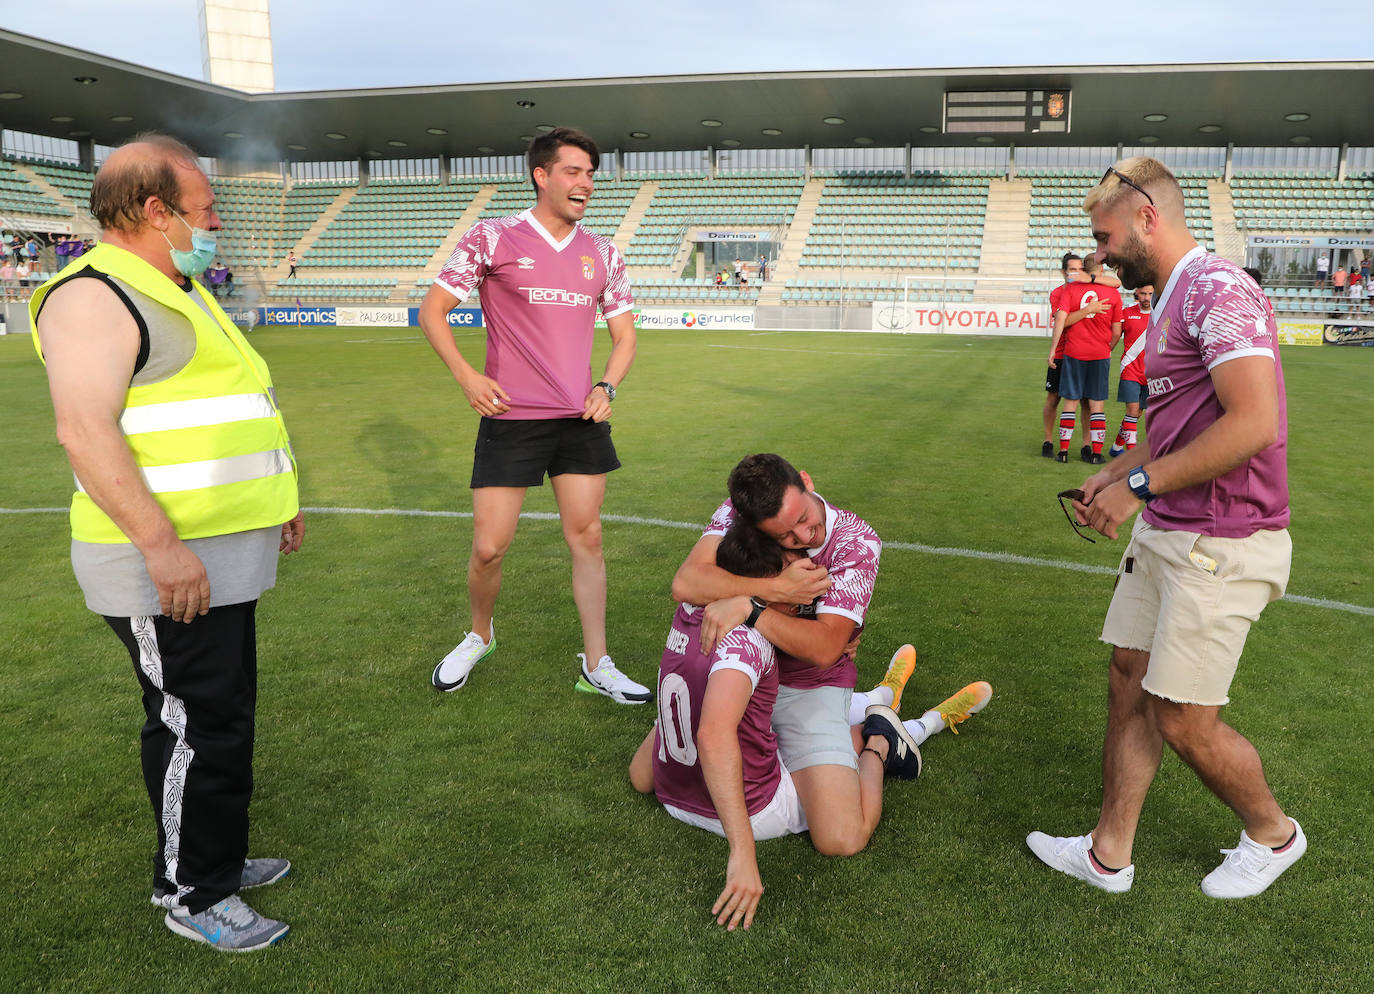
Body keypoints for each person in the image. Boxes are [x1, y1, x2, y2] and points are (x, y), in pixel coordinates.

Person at [28, 134, 303, 950]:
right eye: (206, 209)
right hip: (167, 560)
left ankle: (208, 853)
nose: (215, 221)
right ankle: (193, 891)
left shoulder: (170, 284)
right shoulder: (91, 296)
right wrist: (161, 547)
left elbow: (227, 403)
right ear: (156, 210)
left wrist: (276, 497)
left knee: (216, 714)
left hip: (219, 548)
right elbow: (85, 432)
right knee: (197, 722)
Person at [1029, 157, 1302, 900]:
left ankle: (1274, 834)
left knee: (1185, 719)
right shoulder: (1171, 296)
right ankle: (1107, 854)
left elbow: (1253, 423)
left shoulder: (1218, 290)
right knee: (1128, 678)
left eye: (1106, 235)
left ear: (1147, 217)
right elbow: (1173, 424)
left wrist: (1139, 489)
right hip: (1172, 527)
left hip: (1223, 539)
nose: (1101, 251)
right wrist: (1117, 470)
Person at [632, 521, 991, 930]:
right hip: (754, 808)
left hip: (673, 790)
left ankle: (881, 698)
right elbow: (713, 736)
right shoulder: (748, 641)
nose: (810, 595)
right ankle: (884, 738)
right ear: (768, 586)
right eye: (798, 583)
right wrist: (743, 853)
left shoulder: (691, 614)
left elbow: (646, 767)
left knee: (763, 721)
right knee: (845, 836)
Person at [420, 127, 648, 704]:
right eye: (573, 172)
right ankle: (479, 634)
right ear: (541, 175)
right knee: (490, 547)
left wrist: (607, 387)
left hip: (580, 421)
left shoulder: (604, 253)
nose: (585, 184)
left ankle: (597, 662)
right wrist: (468, 376)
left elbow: (624, 337)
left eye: (591, 174)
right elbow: (433, 310)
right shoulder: (491, 237)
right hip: (512, 417)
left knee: (588, 537)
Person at [1041, 252, 1118, 458]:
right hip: (1062, 352)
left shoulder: (1085, 287)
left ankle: (1085, 445)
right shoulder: (1059, 293)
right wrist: (1088, 309)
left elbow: (1116, 283)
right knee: (1054, 398)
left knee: (1083, 401)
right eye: (1071, 270)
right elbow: (1062, 321)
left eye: (1079, 269)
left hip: (1076, 351)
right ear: (1064, 272)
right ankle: (1048, 440)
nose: (1075, 273)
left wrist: (1091, 280)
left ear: (1084, 271)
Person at [1108, 284, 1152, 458]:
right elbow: (1113, 334)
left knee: (1137, 412)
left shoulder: (1161, 314)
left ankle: (1117, 447)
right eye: (1143, 294)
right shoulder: (1126, 314)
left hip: (1151, 372)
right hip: (1130, 369)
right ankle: (1131, 457)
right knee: (1132, 410)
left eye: (1149, 294)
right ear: (1136, 293)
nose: (1146, 298)